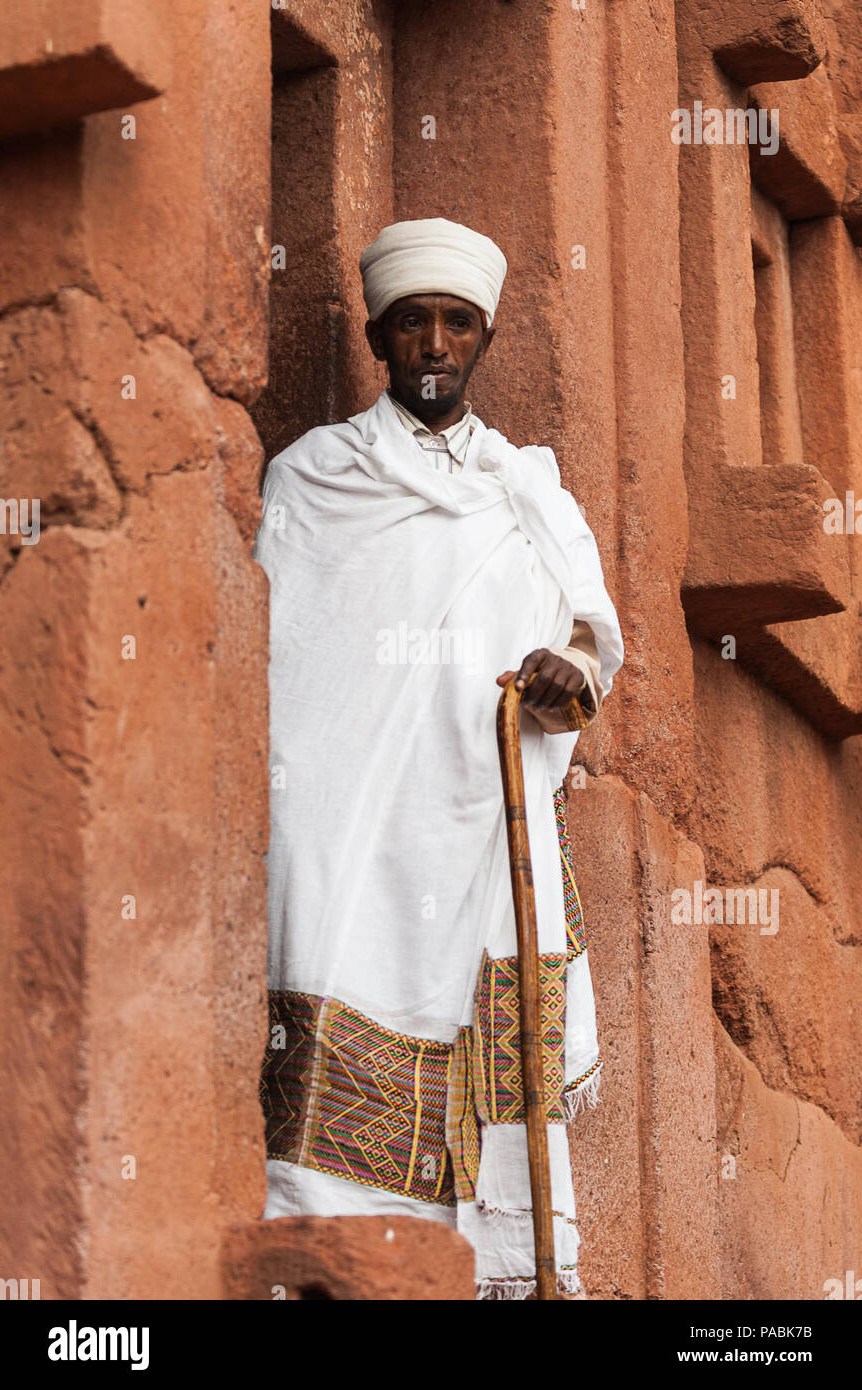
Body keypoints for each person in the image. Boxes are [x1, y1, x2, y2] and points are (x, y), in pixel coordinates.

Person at [253, 217, 624, 1299]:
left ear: (484, 339)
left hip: (485, 825)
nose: (433, 344)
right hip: (342, 828)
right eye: (411, 322)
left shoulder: (530, 492)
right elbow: (276, 655)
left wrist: (567, 676)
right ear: (377, 337)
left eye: (455, 323)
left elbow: (592, 642)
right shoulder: (314, 478)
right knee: (328, 996)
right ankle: (331, 1259)